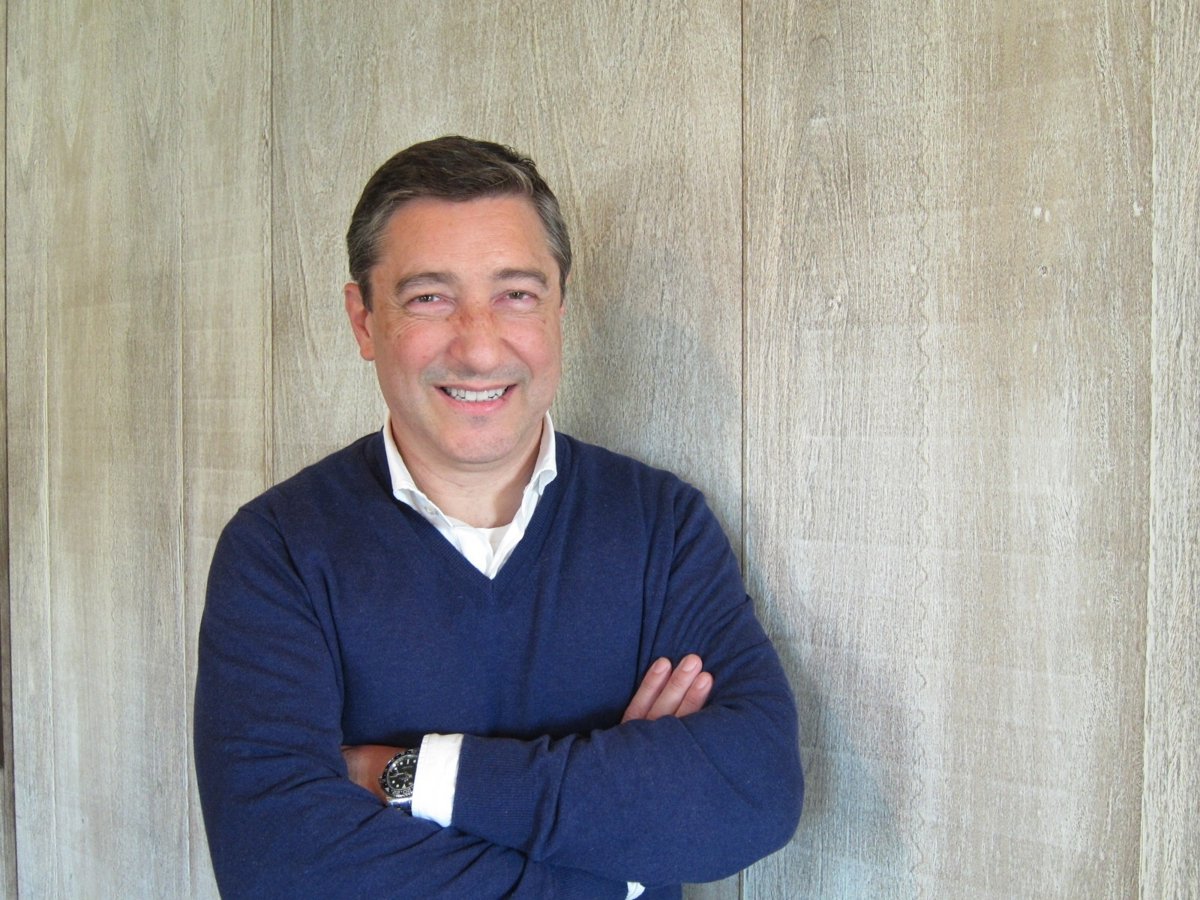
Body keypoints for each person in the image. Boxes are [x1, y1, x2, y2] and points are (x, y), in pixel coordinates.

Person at [194, 135, 802, 899]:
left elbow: (752, 793)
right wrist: (614, 868)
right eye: (429, 298)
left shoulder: (661, 526)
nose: (480, 349)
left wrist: (415, 776)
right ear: (364, 320)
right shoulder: (278, 550)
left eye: (516, 294)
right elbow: (284, 870)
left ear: (559, 309)